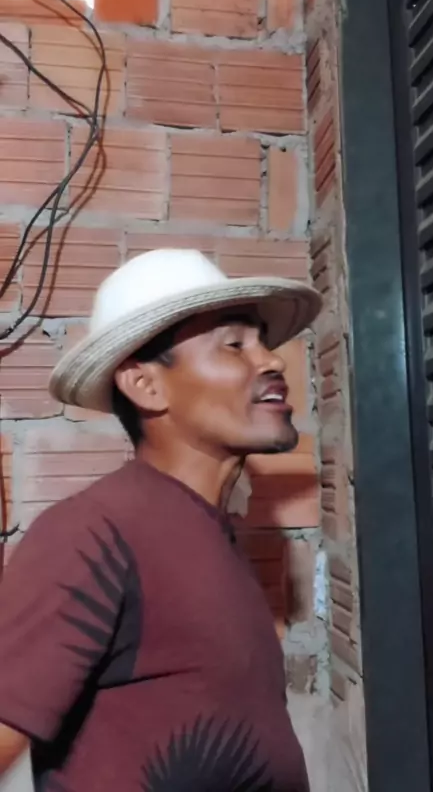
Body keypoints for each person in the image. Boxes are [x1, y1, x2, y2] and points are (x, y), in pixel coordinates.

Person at [0, 248, 321, 791]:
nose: (272, 362)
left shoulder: (212, 535)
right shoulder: (92, 534)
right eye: (234, 344)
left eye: (264, 343)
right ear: (145, 385)